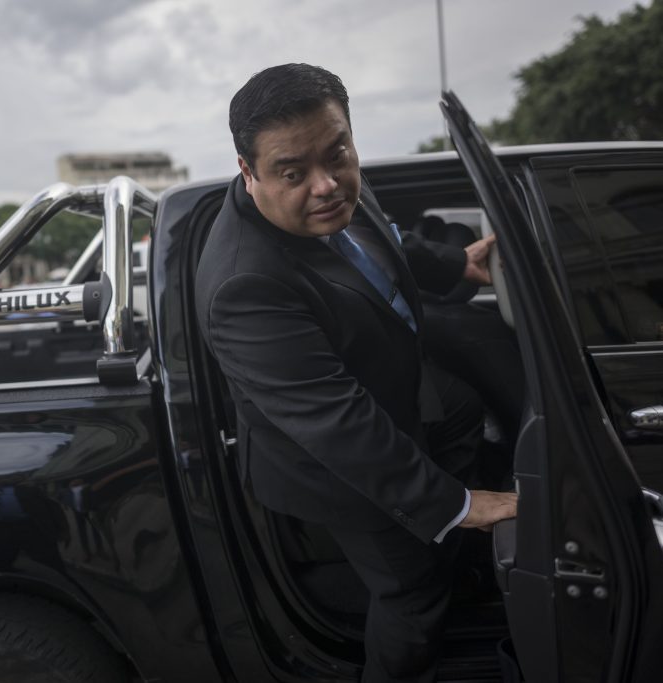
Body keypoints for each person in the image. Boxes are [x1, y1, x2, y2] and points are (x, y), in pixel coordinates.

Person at [194, 63, 517, 682]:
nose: (327, 185)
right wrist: (459, 503)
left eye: (337, 153)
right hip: (336, 464)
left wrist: (456, 267)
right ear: (249, 172)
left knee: (462, 407)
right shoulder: (245, 284)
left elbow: (380, 237)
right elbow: (339, 425)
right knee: (412, 594)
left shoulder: (338, 181)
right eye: (293, 173)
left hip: (398, 386)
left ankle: (453, 549)